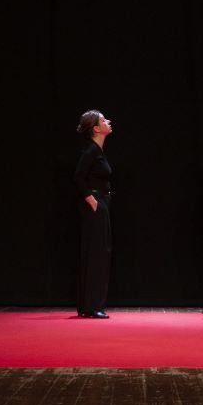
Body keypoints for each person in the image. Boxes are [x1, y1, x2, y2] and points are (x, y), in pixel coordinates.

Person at [74, 110, 114, 319]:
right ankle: (91, 306)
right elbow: (78, 177)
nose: (108, 121)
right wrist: (92, 200)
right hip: (95, 205)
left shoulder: (97, 150)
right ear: (96, 129)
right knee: (97, 253)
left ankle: (88, 305)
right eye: (103, 120)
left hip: (100, 203)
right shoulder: (91, 150)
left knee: (98, 252)